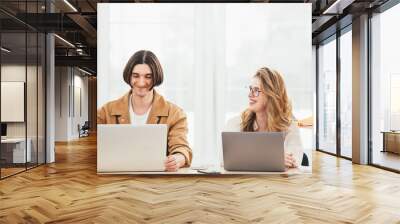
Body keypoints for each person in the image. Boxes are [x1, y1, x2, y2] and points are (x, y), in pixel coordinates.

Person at [97, 50, 192, 171]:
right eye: (136, 76)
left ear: (156, 77)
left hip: (157, 182)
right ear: (129, 76)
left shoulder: (175, 113)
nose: (141, 83)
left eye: (148, 76)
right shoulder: (105, 112)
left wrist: (177, 159)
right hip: (116, 180)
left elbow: (182, 148)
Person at [225, 67, 303, 169]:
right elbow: (226, 159)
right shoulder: (236, 123)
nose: (250, 95)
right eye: (250, 89)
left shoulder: (289, 125)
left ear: (271, 94)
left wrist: (250, 158)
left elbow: (293, 161)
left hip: (277, 183)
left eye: (256, 90)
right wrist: (272, 158)